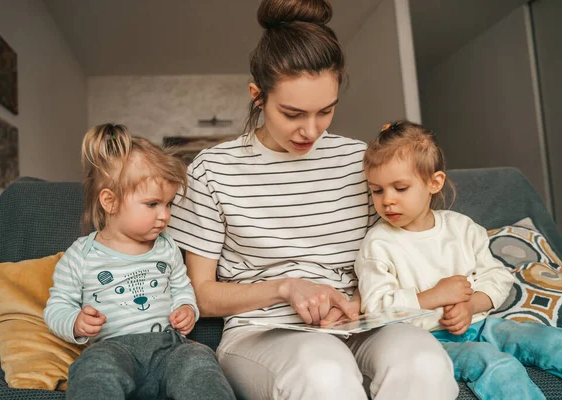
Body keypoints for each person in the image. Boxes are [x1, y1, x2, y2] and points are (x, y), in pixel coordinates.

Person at [167, 1, 459, 399]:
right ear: (258, 96)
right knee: (322, 368)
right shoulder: (213, 170)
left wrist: (357, 301)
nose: (311, 130)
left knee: (424, 359)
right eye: (292, 113)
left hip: (361, 324)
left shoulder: (361, 161)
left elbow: (395, 253)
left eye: (325, 111)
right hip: (261, 334)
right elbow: (202, 292)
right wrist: (285, 288)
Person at [355, 120, 562, 400]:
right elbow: (376, 308)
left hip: (482, 324)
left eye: (400, 188)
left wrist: (472, 304)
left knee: (549, 341)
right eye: (377, 190)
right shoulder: (378, 244)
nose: (387, 200)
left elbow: (497, 276)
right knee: (497, 366)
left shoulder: (461, 228)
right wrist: (433, 296)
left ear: (434, 182)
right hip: (431, 341)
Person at [43, 124, 235, 400]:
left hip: (169, 347)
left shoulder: (167, 247)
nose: (165, 215)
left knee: (197, 358)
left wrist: (186, 308)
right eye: (152, 204)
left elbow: (182, 288)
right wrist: (75, 322)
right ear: (110, 202)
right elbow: (57, 306)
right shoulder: (81, 255)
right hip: (113, 348)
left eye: (169, 204)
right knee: (93, 369)